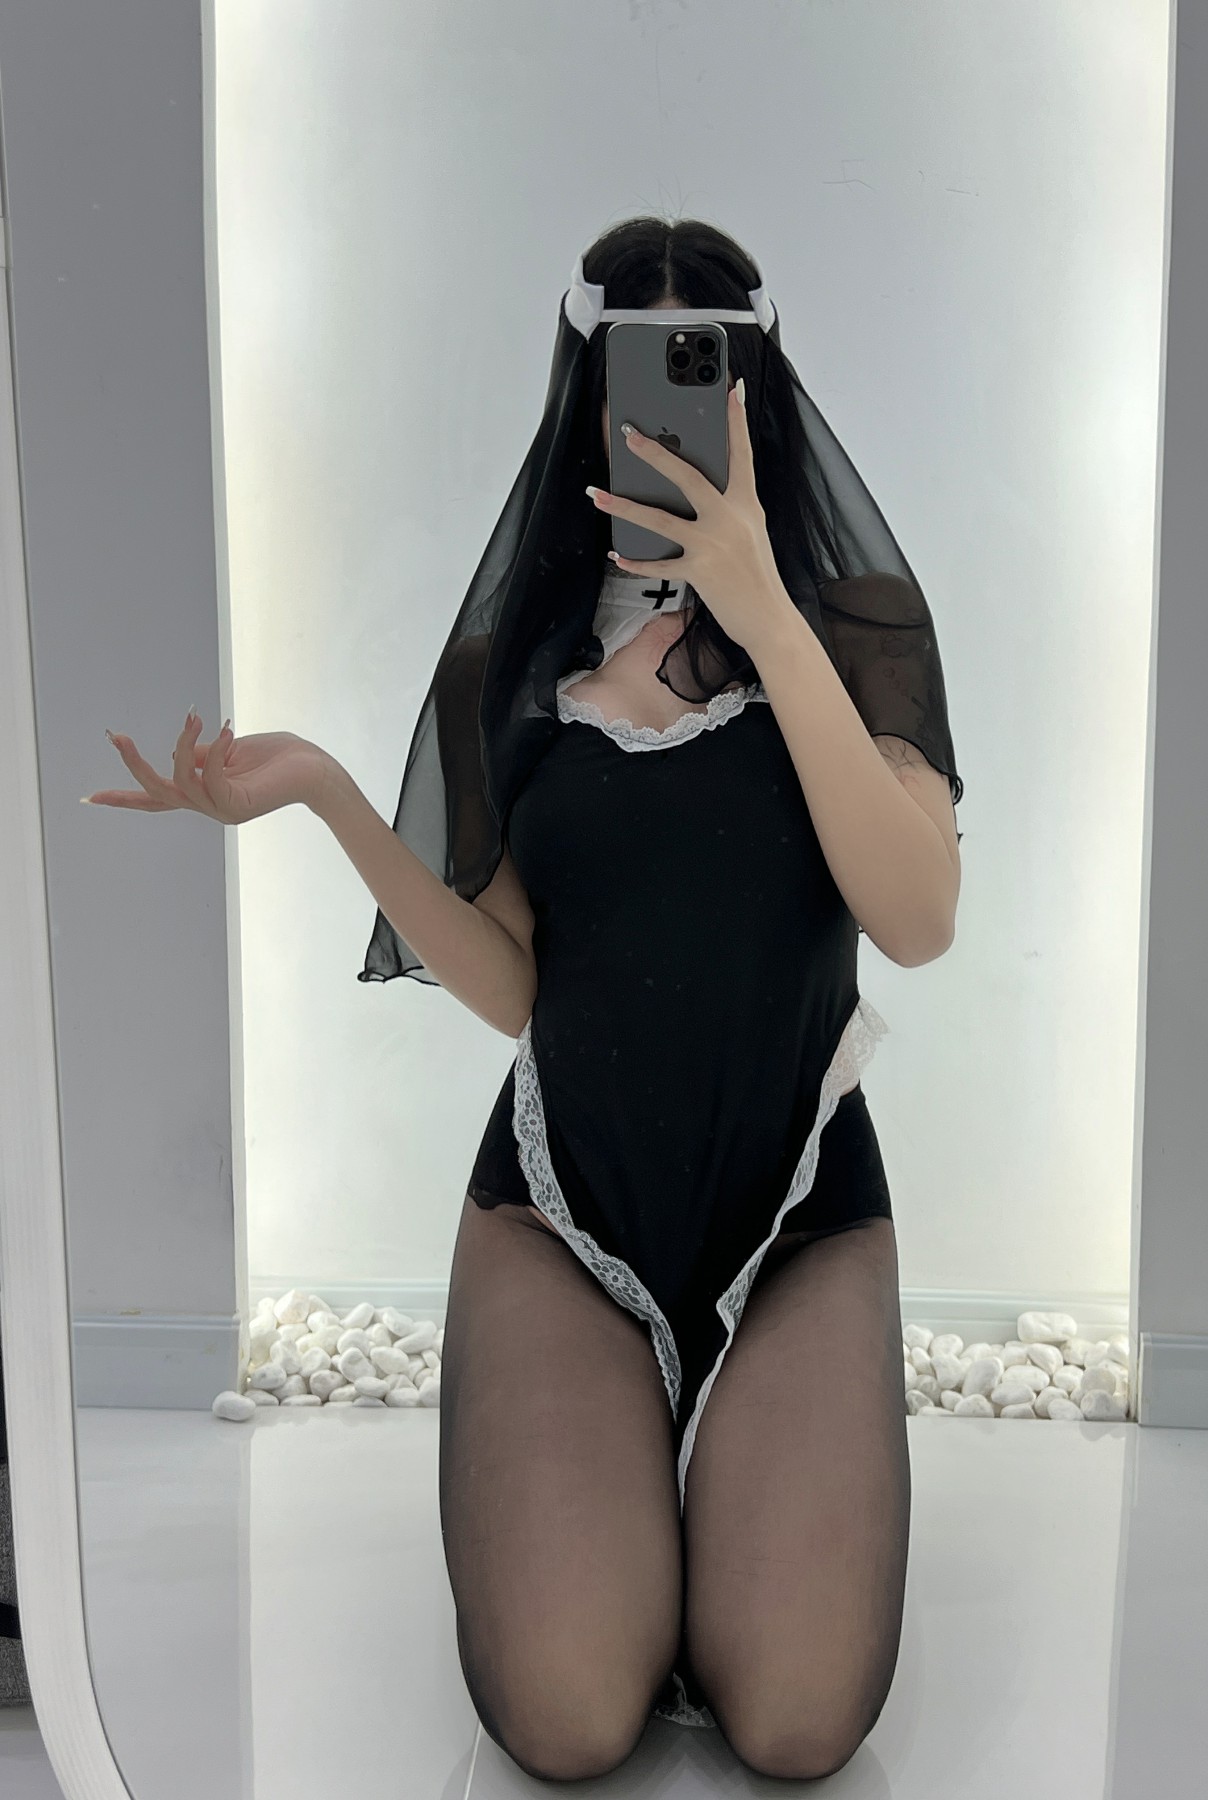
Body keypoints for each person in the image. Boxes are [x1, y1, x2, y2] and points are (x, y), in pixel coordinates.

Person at [86, 215, 962, 1781]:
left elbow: (916, 921)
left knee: (796, 1725)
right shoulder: (513, 662)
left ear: (757, 392)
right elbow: (511, 991)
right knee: (565, 1724)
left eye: (708, 373)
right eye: (639, 376)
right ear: (586, 394)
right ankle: (649, 1521)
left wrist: (766, 614)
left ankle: (698, 1529)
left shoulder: (858, 629)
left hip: (799, 1217)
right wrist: (331, 794)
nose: (671, 416)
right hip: (560, 1213)